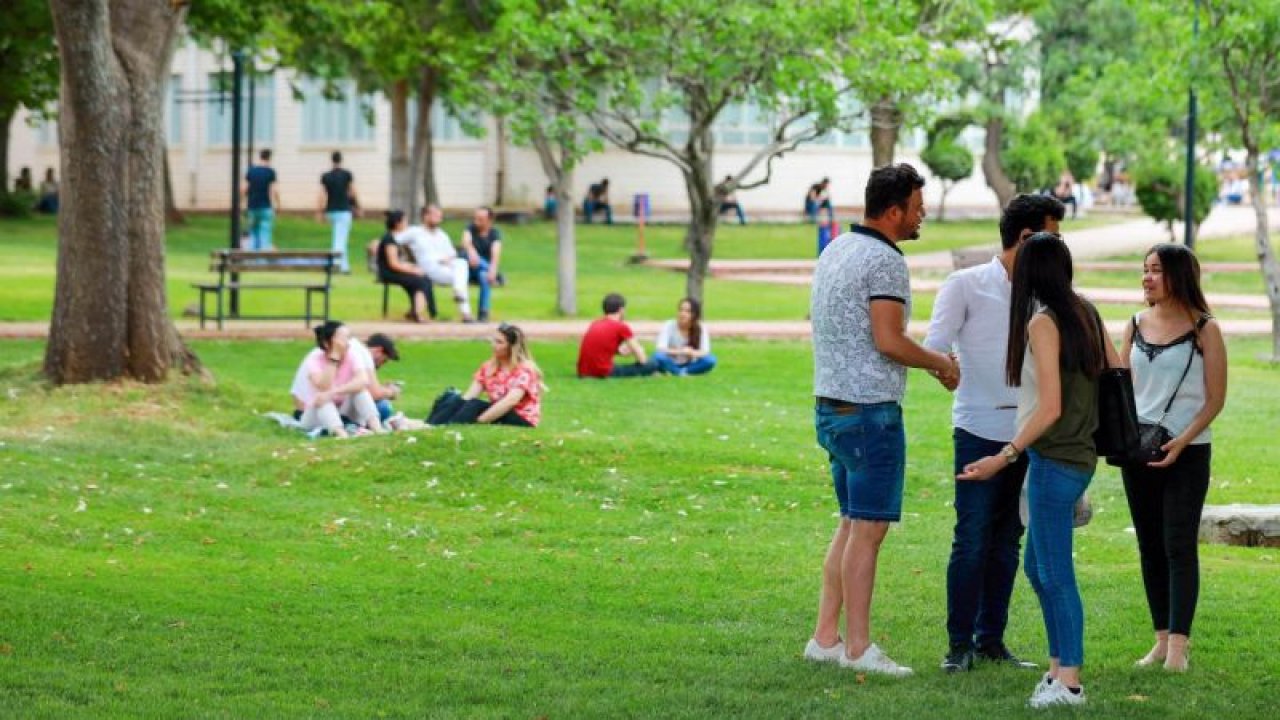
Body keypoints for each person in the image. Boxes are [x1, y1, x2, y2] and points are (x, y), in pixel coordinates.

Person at [804, 163, 958, 677]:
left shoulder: (836, 249)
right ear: (893, 212)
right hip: (869, 414)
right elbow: (888, 339)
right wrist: (941, 363)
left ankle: (825, 637)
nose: (922, 217)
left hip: (830, 407)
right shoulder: (885, 261)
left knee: (850, 525)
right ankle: (858, 648)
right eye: (917, 209)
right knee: (867, 532)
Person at [958, 232, 1121, 709]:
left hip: (1056, 459)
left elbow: (1047, 408)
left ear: (1030, 273)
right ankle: (1056, 671)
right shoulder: (1084, 311)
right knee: (1038, 566)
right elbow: (1116, 369)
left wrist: (1003, 456)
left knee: (1054, 571)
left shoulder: (1045, 323)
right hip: (1075, 457)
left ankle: (1069, 683)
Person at [925, 194, 1066, 674]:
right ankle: (958, 645)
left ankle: (991, 640)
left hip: (1030, 436)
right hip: (978, 431)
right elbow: (935, 348)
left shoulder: (1044, 294)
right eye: (1051, 237)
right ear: (1026, 237)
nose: (1057, 248)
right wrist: (948, 370)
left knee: (1009, 542)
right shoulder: (965, 285)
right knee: (972, 539)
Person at [1120, 244, 1227, 673]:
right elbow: (1120, 385)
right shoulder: (1134, 323)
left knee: (1178, 545)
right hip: (1138, 451)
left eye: (1156, 271)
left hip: (1188, 451)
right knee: (1149, 546)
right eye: (1144, 270)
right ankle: (1161, 641)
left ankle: (1180, 648)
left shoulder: (1205, 328)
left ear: (1178, 276)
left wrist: (1181, 442)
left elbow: (1215, 399)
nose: (1146, 278)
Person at [434, 323, 543, 427]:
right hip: (498, 411)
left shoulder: (525, 370)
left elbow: (510, 401)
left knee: (475, 405)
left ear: (512, 347)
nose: (493, 345)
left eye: (499, 342)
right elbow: (469, 396)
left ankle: (449, 427)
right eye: (493, 341)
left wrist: (480, 420)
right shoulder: (489, 367)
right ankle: (431, 425)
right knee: (452, 398)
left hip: (521, 417)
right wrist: (455, 405)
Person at [289, 321, 384, 437]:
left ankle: (377, 429)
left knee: (360, 391)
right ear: (327, 343)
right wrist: (334, 357)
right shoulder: (314, 360)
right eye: (343, 339)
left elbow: (363, 380)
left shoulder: (352, 355)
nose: (348, 343)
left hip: (342, 410)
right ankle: (341, 434)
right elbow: (324, 387)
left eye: (348, 338)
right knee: (322, 399)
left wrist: (334, 392)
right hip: (317, 415)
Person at [397, 204, 475, 322]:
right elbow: (394, 240)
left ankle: (461, 299)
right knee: (460, 276)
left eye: (440, 215)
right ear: (425, 216)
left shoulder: (442, 235)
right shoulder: (415, 232)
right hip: (427, 268)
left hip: (443, 268)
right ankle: (465, 313)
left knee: (462, 264)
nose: (439, 218)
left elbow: (452, 253)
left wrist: (447, 259)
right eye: (435, 215)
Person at [577, 293, 659, 378]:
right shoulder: (621, 326)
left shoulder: (595, 323)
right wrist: (639, 351)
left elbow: (599, 347)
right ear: (621, 310)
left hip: (583, 372)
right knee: (653, 364)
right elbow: (642, 359)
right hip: (603, 372)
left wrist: (619, 351)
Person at [376, 210, 434, 323]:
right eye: (405, 221)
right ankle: (417, 314)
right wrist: (413, 271)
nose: (407, 224)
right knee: (420, 281)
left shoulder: (396, 238)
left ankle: (414, 311)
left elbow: (399, 262)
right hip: (388, 273)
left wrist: (412, 267)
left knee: (424, 279)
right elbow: (393, 264)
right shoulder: (389, 240)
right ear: (398, 224)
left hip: (394, 271)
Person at [459, 207, 503, 322]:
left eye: (480, 219)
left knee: (484, 276)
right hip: (467, 269)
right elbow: (465, 242)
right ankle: (497, 276)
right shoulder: (470, 228)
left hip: (481, 270)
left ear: (489, 220)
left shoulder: (494, 233)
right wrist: (472, 252)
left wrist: (492, 269)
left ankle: (483, 312)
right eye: (475, 218)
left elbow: (496, 252)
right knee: (468, 256)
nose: (476, 221)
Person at [318, 151, 359, 274]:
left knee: (339, 238)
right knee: (340, 239)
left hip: (331, 210)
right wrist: (356, 206)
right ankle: (336, 264)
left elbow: (322, 195)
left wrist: (320, 211)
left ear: (332, 160)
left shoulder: (326, 176)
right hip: (344, 210)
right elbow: (353, 192)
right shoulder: (347, 175)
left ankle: (344, 266)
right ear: (341, 160)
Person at [653, 297, 717, 376]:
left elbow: (705, 351)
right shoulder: (669, 325)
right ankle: (680, 372)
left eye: (687, 311)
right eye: (681, 310)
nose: (682, 314)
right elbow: (660, 348)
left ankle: (681, 372)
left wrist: (692, 352)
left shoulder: (700, 327)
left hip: (689, 364)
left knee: (710, 360)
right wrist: (681, 351)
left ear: (694, 315)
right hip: (670, 362)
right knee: (658, 357)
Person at [349, 332, 404, 423]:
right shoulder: (364, 354)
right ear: (378, 350)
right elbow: (375, 394)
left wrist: (381, 389)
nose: (381, 365)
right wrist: (392, 391)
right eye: (384, 360)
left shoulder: (354, 347)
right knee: (384, 407)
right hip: (341, 405)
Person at [243, 149, 280, 251]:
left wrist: (243, 203)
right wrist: (277, 205)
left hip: (252, 206)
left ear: (260, 157)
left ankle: (252, 256)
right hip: (265, 206)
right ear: (269, 158)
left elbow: (244, 189)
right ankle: (264, 255)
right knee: (265, 233)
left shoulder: (251, 171)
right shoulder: (270, 172)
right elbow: (273, 191)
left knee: (253, 232)